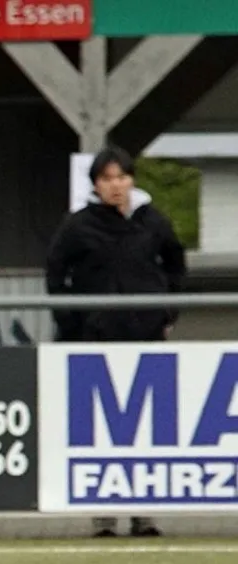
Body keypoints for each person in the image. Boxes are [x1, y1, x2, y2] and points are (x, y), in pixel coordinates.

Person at [47, 145, 186, 539]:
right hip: (97, 340)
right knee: (100, 429)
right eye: (107, 178)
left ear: (132, 180)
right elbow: (56, 274)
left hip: (146, 336)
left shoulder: (154, 221)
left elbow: (176, 265)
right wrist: (73, 324)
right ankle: (103, 515)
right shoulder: (77, 225)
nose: (116, 186)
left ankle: (145, 513)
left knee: (149, 427)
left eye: (122, 177)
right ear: (95, 184)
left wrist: (167, 314)